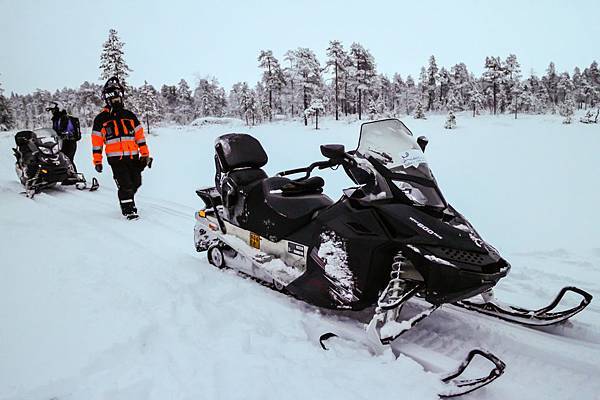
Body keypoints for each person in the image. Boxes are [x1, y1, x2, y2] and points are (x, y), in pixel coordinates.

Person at [91, 77, 150, 219]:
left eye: (118, 98)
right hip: (116, 159)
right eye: (113, 99)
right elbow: (97, 142)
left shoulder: (129, 116)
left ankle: (129, 198)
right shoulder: (101, 119)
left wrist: (145, 154)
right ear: (108, 100)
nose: (116, 101)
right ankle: (129, 210)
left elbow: (140, 137)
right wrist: (97, 161)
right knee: (125, 185)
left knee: (136, 182)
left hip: (133, 157)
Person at [47, 103, 80, 170]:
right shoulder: (56, 119)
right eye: (52, 111)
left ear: (59, 109)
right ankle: (63, 176)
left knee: (67, 160)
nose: (52, 112)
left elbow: (67, 129)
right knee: (60, 160)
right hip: (61, 142)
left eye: (54, 110)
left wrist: (64, 134)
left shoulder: (64, 118)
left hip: (69, 142)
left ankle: (73, 176)